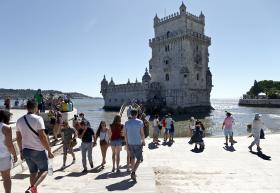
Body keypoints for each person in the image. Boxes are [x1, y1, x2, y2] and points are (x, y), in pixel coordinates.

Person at [16, 99, 54, 193]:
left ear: (26, 108)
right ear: (36, 108)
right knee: (44, 170)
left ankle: (33, 191)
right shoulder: (38, 119)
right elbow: (42, 136)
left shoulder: (19, 120)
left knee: (33, 172)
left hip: (26, 150)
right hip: (38, 150)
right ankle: (32, 188)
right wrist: (49, 150)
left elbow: (18, 138)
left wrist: (21, 151)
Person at [124, 108, 145, 182]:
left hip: (130, 143)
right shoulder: (140, 122)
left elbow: (125, 135)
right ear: (137, 114)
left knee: (132, 158)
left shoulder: (126, 122)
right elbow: (142, 133)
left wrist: (126, 144)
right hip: (138, 143)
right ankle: (133, 172)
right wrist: (143, 140)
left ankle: (133, 171)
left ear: (130, 114)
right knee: (139, 159)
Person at [0, 110, 17, 193]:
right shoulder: (6, 128)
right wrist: (15, 155)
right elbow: (9, 144)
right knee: (6, 178)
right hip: (4, 156)